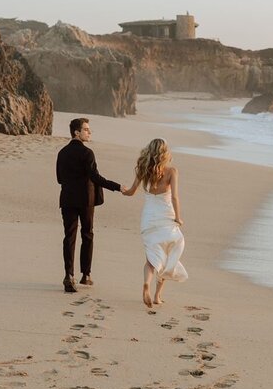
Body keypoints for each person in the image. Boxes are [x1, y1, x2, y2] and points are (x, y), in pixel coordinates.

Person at [56, 117, 122, 293]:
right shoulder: (87, 153)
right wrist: (118, 187)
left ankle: (69, 275)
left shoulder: (62, 153)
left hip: (67, 199)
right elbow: (95, 178)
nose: (89, 132)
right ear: (76, 132)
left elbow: (59, 179)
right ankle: (86, 275)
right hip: (86, 200)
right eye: (86, 129)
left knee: (69, 237)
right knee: (87, 234)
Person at [122, 138, 187, 308]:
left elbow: (131, 192)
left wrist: (123, 190)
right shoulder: (172, 171)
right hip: (166, 216)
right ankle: (157, 295)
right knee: (168, 254)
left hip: (149, 218)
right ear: (165, 153)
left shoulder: (143, 170)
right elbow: (174, 197)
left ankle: (146, 285)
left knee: (152, 257)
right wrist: (179, 217)